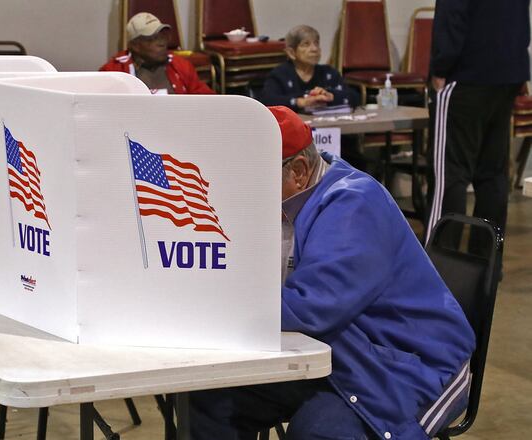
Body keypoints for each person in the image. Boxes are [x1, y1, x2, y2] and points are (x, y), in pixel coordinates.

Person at [189, 106, 475, 440]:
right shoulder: (295, 195)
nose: (243, 193)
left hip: (414, 365)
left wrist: (209, 303)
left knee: (318, 432)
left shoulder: (354, 206)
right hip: (346, 353)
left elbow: (310, 309)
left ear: (298, 171)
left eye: (252, 180)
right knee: (210, 395)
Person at [426, 0, 530, 247]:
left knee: (449, 174)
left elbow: (452, 16)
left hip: (466, 75)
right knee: (493, 174)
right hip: (508, 74)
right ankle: (487, 263)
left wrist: (441, 66)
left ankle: (438, 265)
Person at [100, 12, 214, 95]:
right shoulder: (114, 71)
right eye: (152, 38)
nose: (162, 43)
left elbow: (207, 100)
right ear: (135, 45)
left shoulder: (181, 66)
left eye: (162, 36)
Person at [258, 25, 357, 112]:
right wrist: (300, 102)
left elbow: (354, 97)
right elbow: (267, 101)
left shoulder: (329, 73)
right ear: (291, 53)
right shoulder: (279, 75)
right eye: (306, 44)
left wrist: (331, 96)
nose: (314, 49)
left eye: (316, 43)